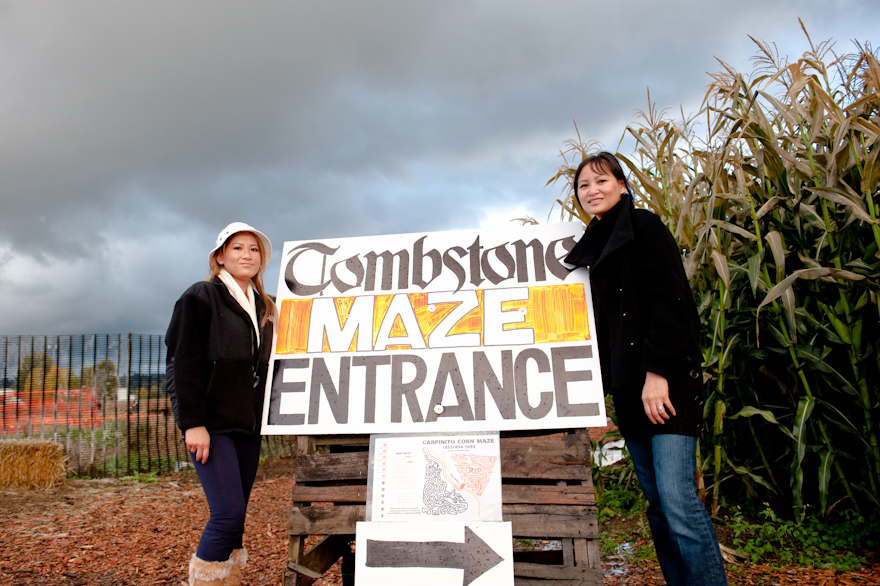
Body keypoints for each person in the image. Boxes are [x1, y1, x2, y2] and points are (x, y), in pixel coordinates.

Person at [564, 152, 728, 586]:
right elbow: (598, 329)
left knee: (678, 501)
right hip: (629, 390)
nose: (591, 191)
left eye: (601, 181)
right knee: (657, 503)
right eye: (583, 186)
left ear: (621, 184)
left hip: (666, 384)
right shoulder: (591, 249)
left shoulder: (645, 228)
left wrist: (658, 373)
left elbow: (670, 303)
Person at [166, 222, 276, 586]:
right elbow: (182, 363)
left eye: (254, 249)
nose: (247, 255)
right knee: (226, 514)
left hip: (248, 423)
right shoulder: (200, 296)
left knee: (238, 516)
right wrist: (193, 423)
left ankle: (228, 580)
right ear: (220, 257)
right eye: (237, 248)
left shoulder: (266, 305)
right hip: (212, 424)